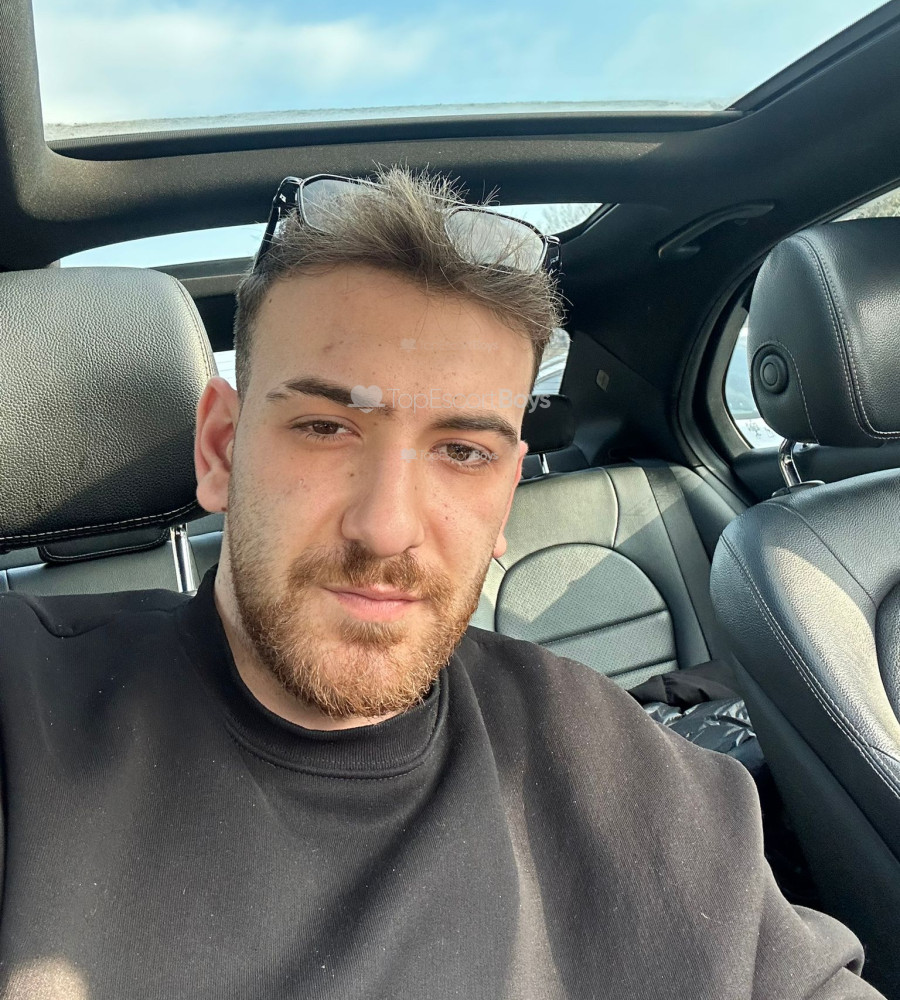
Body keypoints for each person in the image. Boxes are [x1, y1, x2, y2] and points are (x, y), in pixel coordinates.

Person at [0, 168, 884, 999]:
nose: (386, 527)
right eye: (325, 427)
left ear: (506, 497)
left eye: (463, 451)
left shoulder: (614, 760)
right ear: (221, 450)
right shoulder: (23, 707)